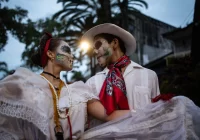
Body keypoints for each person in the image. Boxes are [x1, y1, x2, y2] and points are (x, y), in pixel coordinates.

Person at [80, 23, 200, 139]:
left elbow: (157, 117)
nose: (94, 51)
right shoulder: (91, 84)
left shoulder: (149, 76)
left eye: (98, 45)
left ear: (115, 43)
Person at [0, 33, 97, 140]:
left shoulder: (77, 92)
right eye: (67, 50)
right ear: (51, 54)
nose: (72, 56)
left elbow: (106, 116)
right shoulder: (26, 86)